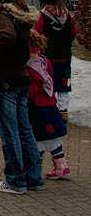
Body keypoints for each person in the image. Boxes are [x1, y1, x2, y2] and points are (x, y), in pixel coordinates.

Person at [0, 0, 44, 195]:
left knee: (9, 130)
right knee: (25, 128)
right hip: (20, 74)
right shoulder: (22, 13)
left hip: (5, 76)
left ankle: (16, 179)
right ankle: (34, 176)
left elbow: (7, 36)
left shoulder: (2, 12)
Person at [26, 30, 71, 180]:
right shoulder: (45, 61)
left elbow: (31, 90)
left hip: (37, 107)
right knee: (52, 138)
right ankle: (61, 165)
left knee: (38, 138)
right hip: (50, 103)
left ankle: (34, 170)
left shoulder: (29, 66)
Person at [35, 0, 78, 120]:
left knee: (50, 82)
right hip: (65, 56)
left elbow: (37, 33)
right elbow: (74, 32)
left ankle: (52, 109)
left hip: (48, 57)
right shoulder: (67, 15)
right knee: (65, 83)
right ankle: (63, 110)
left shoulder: (42, 16)